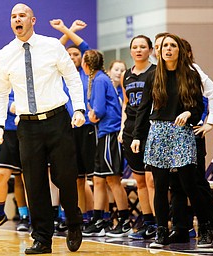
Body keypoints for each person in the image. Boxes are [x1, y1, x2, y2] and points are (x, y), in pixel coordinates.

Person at [0, 3, 85, 254]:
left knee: (64, 177)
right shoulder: (5, 54)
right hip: (27, 127)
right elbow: (1, 94)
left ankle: (74, 222)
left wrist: (79, 109)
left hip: (57, 121)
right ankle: (42, 238)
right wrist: (0, 124)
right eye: (13, 16)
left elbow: (73, 78)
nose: (17, 19)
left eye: (22, 15)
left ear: (33, 20)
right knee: (34, 184)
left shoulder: (52, 46)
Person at [131, 33, 213, 248]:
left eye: (172, 45)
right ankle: (161, 231)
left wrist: (189, 114)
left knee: (190, 185)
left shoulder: (190, 74)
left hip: (182, 133)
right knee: (160, 186)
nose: (168, 49)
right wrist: (137, 136)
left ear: (179, 50)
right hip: (158, 132)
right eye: (164, 46)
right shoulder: (153, 76)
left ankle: (205, 228)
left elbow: (197, 108)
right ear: (159, 52)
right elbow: (143, 108)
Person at [50, 18, 96, 230]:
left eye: (75, 55)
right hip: (65, 129)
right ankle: (70, 215)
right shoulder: (59, 75)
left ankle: (90, 216)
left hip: (85, 128)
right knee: (69, 176)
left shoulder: (86, 73)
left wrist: (69, 30)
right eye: (69, 55)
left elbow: (86, 48)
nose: (72, 57)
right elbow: (54, 49)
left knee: (86, 176)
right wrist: (67, 31)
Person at [78, 49, 129, 238]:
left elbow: (98, 110)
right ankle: (99, 220)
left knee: (113, 180)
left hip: (109, 133)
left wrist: (87, 117)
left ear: (86, 65)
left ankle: (124, 221)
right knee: (98, 179)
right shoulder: (98, 78)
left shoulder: (99, 80)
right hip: (102, 135)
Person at [117, 35, 157, 240]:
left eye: (143, 47)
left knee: (152, 180)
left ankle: (160, 223)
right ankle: (147, 221)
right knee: (140, 180)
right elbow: (126, 103)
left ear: (150, 50)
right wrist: (122, 129)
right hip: (130, 129)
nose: (139, 50)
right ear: (131, 51)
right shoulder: (126, 75)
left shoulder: (156, 72)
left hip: (150, 129)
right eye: (135, 47)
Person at [0, 91, 30, 233]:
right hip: (8, 130)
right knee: (0, 174)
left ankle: (29, 217)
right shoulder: (6, 71)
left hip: (29, 129)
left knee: (25, 178)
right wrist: (11, 105)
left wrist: (23, 111)